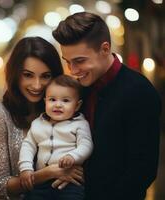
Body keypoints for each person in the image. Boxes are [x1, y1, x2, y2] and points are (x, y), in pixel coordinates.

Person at [52, 12, 161, 200]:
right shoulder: (78, 90)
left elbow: (143, 171)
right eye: (68, 62)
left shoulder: (140, 91)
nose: (73, 71)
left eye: (79, 61)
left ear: (105, 49)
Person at [0, 37, 84, 200]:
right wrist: (47, 173)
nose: (37, 85)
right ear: (15, 74)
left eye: (45, 76)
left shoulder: (65, 110)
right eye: (28, 75)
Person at [18, 74, 93, 200]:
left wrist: (73, 156)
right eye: (52, 100)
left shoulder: (79, 124)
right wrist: (25, 168)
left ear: (77, 105)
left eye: (65, 100)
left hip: (69, 183)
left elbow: (86, 145)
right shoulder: (38, 123)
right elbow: (28, 145)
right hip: (41, 182)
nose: (58, 105)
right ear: (45, 101)